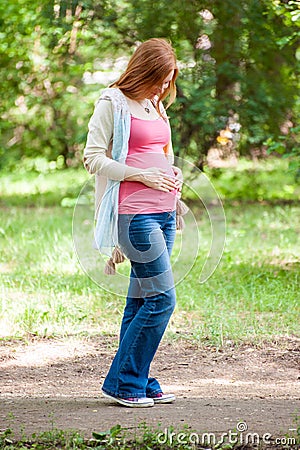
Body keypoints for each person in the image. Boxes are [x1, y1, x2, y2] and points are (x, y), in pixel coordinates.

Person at [83, 38, 183, 408]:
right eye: (159, 79)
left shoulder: (155, 105)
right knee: (161, 298)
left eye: (168, 80)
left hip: (164, 213)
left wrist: (173, 176)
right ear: (143, 70)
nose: (163, 88)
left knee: (140, 301)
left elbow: (162, 152)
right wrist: (142, 177)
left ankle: (136, 379)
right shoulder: (111, 103)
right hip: (133, 215)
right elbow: (92, 158)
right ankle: (123, 382)